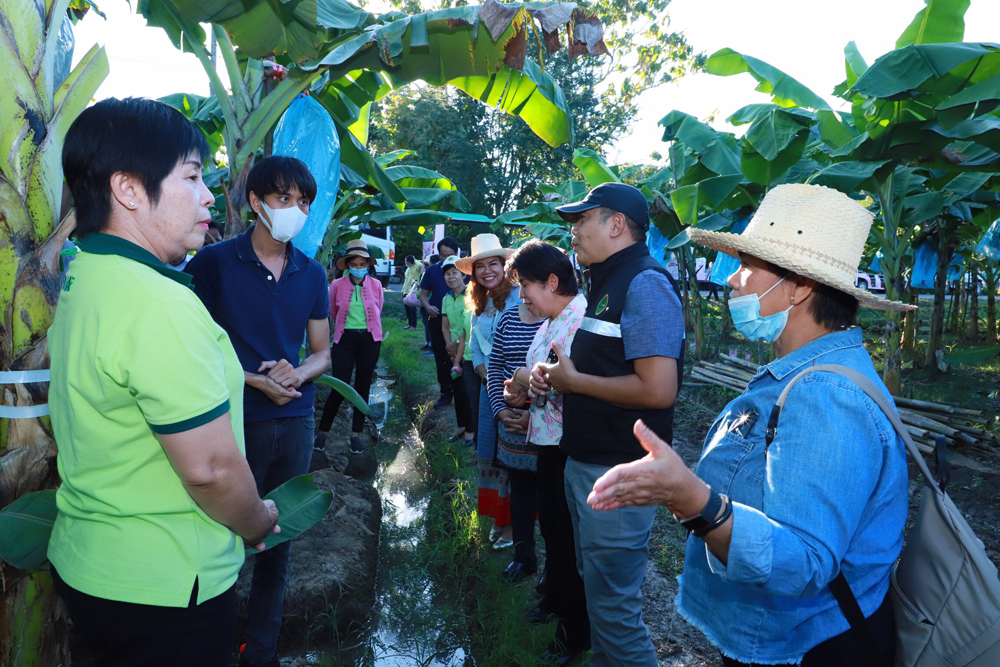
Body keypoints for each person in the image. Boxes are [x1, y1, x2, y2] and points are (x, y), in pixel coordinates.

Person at [588, 184, 912, 667]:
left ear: (799, 286)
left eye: (746, 267)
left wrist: (689, 498)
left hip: (809, 649)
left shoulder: (825, 397)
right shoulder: (805, 373)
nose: (732, 281)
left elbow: (804, 561)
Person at [48, 97, 279, 666]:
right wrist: (256, 521)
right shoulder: (159, 303)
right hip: (167, 585)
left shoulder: (87, 277)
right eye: (193, 177)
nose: (207, 196)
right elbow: (211, 469)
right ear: (128, 189)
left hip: (92, 565)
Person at [185, 155, 332, 667]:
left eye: (304, 202)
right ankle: (212, 644)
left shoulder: (312, 273)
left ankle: (260, 653)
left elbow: (322, 353)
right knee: (219, 531)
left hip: (295, 420)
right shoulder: (214, 263)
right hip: (231, 420)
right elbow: (191, 345)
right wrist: (252, 378)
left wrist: (296, 373)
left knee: (278, 538)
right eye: (283, 198)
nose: (295, 210)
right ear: (255, 202)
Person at [530, 182, 685, 667]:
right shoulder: (607, 282)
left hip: (619, 470)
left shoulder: (645, 283)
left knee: (616, 611)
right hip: (590, 463)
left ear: (616, 224)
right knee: (597, 591)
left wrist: (573, 383)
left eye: (582, 220)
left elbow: (659, 389)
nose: (572, 231)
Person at [505, 241, 591, 663]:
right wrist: (523, 386)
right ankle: (554, 602)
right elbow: (530, 375)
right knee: (553, 531)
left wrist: (528, 380)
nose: (522, 296)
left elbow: (565, 380)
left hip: (567, 445)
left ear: (552, 281)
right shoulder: (550, 322)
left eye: (526, 286)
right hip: (545, 440)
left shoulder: (581, 321)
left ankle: (574, 636)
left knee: (567, 537)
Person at [455, 234, 518, 549]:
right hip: (488, 390)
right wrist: (486, 376)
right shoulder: (479, 304)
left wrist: (501, 382)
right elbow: (474, 350)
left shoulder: (519, 297)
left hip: (515, 392)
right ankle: (498, 517)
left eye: (494, 263)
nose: (487, 271)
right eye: (481, 266)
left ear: (505, 266)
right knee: (490, 454)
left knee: (510, 458)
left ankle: (511, 528)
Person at [488, 290, 545, 583]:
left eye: (528, 283)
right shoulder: (509, 317)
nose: (521, 293)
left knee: (550, 498)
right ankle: (524, 558)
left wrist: (534, 418)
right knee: (521, 492)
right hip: (511, 422)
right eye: (520, 283)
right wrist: (499, 409)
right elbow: (496, 366)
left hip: (548, 424)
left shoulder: (562, 319)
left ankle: (555, 571)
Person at [318, 239, 385, 454]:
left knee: (362, 387)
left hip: (370, 341)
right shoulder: (337, 286)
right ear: (347, 265)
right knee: (339, 386)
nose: (358, 268)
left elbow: (378, 309)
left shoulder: (375, 285)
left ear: (368, 265)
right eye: (354, 264)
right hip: (344, 340)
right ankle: (323, 432)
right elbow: (333, 313)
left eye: (362, 264)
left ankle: (356, 435)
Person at [441, 256, 476, 445]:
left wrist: (455, 344)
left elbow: (468, 325)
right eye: (447, 274)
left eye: (454, 272)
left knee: (467, 391)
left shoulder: (471, 295)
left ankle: (471, 430)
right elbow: (444, 325)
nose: (451, 277)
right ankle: (461, 425)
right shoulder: (446, 298)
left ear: (463, 274)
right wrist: (449, 346)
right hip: (453, 351)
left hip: (467, 348)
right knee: (456, 389)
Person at [421, 238, 460, 407]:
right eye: (443, 255)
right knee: (441, 357)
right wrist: (428, 306)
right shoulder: (432, 271)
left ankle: (460, 392)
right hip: (437, 321)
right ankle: (445, 393)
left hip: (460, 323)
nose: (446, 258)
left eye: (450, 255)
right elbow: (423, 295)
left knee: (459, 356)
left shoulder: (464, 270)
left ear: (456, 253)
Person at [402, 254, 422, 329]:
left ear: (409, 261)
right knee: (407, 309)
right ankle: (410, 324)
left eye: (406, 261)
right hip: (406, 290)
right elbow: (406, 280)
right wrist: (403, 290)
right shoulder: (408, 269)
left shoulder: (417, 268)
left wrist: (414, 259)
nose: (405, 262)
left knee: (412, 309)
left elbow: (420, 264)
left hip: (413, 290)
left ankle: (414, 325)